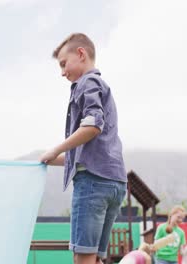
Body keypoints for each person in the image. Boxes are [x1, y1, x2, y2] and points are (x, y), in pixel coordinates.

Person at [40, 33, 127, 264]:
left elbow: (92, 124)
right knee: (95, 258)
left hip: (93, 184)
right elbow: (85, 151)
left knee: (83, 259)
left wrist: (57, 148)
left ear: (81, 54)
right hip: (114, 182)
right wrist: (51, 158)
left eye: (63, 64)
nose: (62, 72)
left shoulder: (87, 83)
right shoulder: (102, 86)